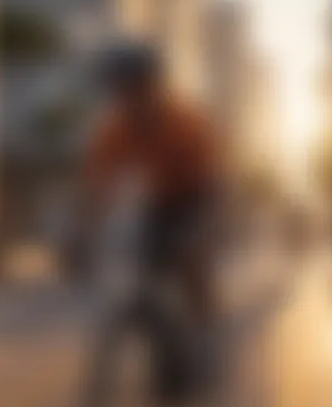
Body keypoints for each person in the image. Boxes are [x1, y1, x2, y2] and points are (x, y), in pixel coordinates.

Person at [71, 40, 222, 380]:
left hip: (197, 194)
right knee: (144, 278)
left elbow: (211, 184)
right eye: (119, 90)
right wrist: (82, 236)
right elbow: (96, 190)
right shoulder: (115, 130)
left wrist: (204, 235)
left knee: (190, 260)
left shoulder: (185, 123)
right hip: (160, 203)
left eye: (132, 88)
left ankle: (205, 335)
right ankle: (164, 354)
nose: (126, 98)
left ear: (152, 86)